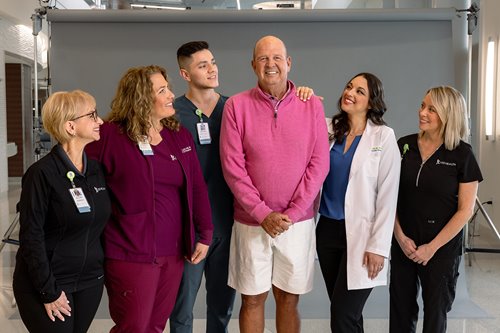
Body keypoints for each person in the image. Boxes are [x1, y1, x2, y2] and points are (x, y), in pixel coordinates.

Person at [170, 40, 317, 333]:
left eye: (213, 62)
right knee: (185, 305)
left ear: (289, 61)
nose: (212, 69)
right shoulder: (178, 114)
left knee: (225, 303)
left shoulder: (234, 105)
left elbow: (315, 158)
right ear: (186, 75)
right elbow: (232, 167)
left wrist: (305, 95)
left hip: (239, 221)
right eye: (203, 65)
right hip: (203, 223)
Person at [85, 65, 213, 333]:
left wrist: (205, 232)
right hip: (129, 250)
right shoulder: (110, 135)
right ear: (141, 97)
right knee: (134, 326)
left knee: (155, 325)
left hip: (174, 251)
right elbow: (84, 180)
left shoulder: (178, 135)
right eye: (162, 90)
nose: (171, 95)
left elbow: (197, 187)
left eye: (168, 88)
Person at [220, 35, 329, 333]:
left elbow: (319, 164)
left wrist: (291, 214)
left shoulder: (311, 106)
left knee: (288, 299)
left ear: (289, 63)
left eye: (277, 58)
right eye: (264, 58)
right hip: (250, 222)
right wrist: (261, 213)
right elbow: (233, 167)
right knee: (252, 300)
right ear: (253, 65)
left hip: (298, 223)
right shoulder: (236, 106)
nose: (271, 65)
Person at [13, 90, 110, 333]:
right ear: (70, 126)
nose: (100, 121)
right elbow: (30, 237)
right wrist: (49, 291)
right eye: (92, 115)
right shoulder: (41, 174)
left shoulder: (96, 170)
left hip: (89, 282)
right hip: (49, 283)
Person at [390, 86, 482, 333]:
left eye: (431, 109)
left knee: (435, 316)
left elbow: (465, 210)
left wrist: (432, 247)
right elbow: (389, 197)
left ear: (448, 114)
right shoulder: (403, 145)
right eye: (422, 105)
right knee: (400, 312)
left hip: (441, 248)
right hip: (404, 243)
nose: (422, 112)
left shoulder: (463, 154)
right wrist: (399, 236)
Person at [315, 72, 400, 332]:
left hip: (363, 236)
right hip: (327, 231)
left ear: (372, 103)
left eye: (360, 91)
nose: (349, 93)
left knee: (342, 315)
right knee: (348, 315)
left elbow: (388, 196)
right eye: (349, 86)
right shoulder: (327, 128)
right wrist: (306, 102)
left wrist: (379, 247)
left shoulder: (383, 137)